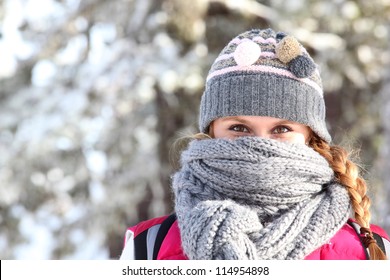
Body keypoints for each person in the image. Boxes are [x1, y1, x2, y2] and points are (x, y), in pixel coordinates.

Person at [119, 28, 390, 260]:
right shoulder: (149, 246)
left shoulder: (371, 251)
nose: (259, 145)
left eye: (282, 128)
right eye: (239, 128)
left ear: (310, 136)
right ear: (211, 131)